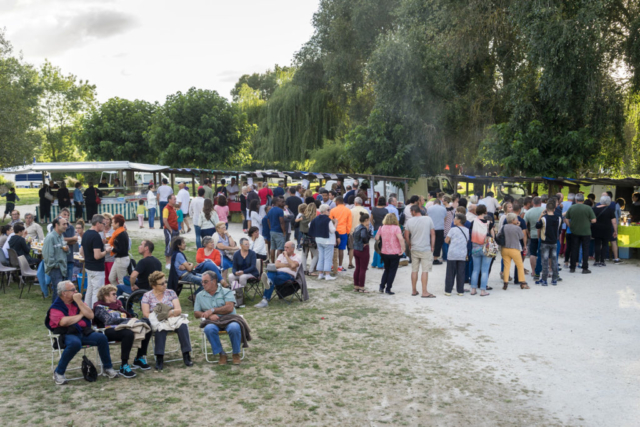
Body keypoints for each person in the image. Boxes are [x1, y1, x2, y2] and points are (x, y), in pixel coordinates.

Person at [46, 281, 118, 385]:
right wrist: (80, 315)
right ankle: (59, 372)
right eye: (73, 290)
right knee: (75, 343)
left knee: (101, 338)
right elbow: (63, 322)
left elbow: (90, 315)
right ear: (64, 293)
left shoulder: (78, 301)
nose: (76, 291)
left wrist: (79, 302)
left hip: (83, 331)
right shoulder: (55, 307)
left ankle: (107, 367)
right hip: (67, 333)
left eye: (75, 289)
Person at [93, 285, 152, 377]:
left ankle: (139, 358)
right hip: (108, 330)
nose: (116, 296)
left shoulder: (117, 305)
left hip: (124, 326)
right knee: (128, 334)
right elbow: (109, 320)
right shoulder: (99, 307)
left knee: (146, 325)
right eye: (113, 294)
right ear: (106, 296)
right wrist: (129, 320)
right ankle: (124, 365)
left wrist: (133, 320)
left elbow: (127, 316)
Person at [141, 271, 192, 370]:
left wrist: (164, 314)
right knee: (160, 329)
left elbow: (178, 310)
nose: (165, 285)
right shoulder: (147, 296)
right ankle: (159, 358)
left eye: (165, 282)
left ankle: (186, 355)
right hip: (159, 321)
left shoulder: (171, 292)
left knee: (182, 325)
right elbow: (146, 314)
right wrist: (168, 313)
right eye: (162, 283)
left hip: (173, 318)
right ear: (154, 286)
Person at [195, 271, 242, 365]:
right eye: (202, 282)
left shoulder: (226, 291)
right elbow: (196, 313)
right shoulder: (200, 295)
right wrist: (208, 315)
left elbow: (229, 308)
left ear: (214, 281)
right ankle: (221, 354)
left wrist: (212, 310)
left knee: (234, 327)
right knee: (209, 329)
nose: (203, 284)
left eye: (205, 281)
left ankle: (236, 353)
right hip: (212, 321)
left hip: (229, 319)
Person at [255, 241, 301, 308]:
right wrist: (289, 265)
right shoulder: (280, 255)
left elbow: (293, 265)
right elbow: (276, 265)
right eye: (284, 247)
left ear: (293, 249)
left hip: (288, 275)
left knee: (271, 277)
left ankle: (265, 298)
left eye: (287, 247)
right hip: (277, 273)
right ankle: (269, 282)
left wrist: (286, 257)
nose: (285, 249)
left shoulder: (297, 257)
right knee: (271, 271)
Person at [405, 205, 436, 297]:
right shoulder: (428, 219)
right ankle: (424, 291)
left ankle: (414, 290)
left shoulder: (409, 221)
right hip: (425, 248)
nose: (410, 214)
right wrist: (432, 246)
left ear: (414, 212)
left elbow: (406, 236)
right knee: (425, 270)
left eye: (411, 212)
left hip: (414, 248)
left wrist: (409, 244)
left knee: (414, 270)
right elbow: (433, 233)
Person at [81, 215, 108, 307]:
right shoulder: (96, 236)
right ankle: (95, 313)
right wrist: (106, 251)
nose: (104, 226)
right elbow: (97, 256)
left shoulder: (86, 234)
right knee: (97, 292)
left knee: (90, 290)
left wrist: (88, 258)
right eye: (103, 224)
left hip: (88, 266)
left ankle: (87, 310)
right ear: (98, 223)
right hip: (97, 269)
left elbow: (81, 251)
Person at [565, 193, 596, 274]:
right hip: (586, 232)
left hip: (574, 231)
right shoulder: (588, 208)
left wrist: (570, 226)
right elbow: (594, 220)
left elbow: (566, 218)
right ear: (583, 199)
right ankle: (585, 268)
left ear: (576, 200)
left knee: (574, 249)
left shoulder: (572, 207)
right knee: (585, 250)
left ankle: (572, 267)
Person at [375, 213, 404, 295]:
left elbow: (376, 238)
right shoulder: (396, 228)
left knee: (386, 269)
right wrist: (403, 248)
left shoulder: (382, 227)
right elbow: (401, 238)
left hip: (384, 252)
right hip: (394, 252)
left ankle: (381, 286)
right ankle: (388, 288)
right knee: (392, 271)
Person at [43, 217, 70, 302]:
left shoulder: (61, 236)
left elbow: (64, 252)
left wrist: (67, 250)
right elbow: (47, 255)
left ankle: (58, 310)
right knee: (58, 292)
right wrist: (56, 266)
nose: (66, 226)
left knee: (61, 292)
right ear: (56, 225)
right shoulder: (50, 237)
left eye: (66, 224)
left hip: (62, 268)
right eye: (64, 224)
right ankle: (54, 311)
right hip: (56, 268)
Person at [469, 204, 494, 296]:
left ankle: (473, 289)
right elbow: (492, 235)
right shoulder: (489, 222)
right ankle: (483, 290)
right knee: (485, 270)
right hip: (486, 247)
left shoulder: (473, 222)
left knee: (475, 270)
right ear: (485, 211)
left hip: (475, 247)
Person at [499, 213, 528, 290]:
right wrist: (517, 227)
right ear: (513, 220)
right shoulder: (517, 228)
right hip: (514, 249)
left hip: (505, 248)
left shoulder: (504, 227)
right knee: (520, 266)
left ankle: (505, 283)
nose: (517, 220)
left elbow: (499, 235)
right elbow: (521, 236)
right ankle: (523, 283)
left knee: (506, 266)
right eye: (516, 219)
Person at [534, 200, 561, 285]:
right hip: (554, 241)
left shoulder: (543, 219)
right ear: (554, 208)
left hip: (545, 242)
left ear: (546, 208)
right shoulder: (559, 218)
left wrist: (540, 216)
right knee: (554, 261)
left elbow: (537, 226)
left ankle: (544, 280)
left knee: (544, 261)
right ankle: (554, 279)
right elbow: (559, 231)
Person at [309, 204, 337, 280]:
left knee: (321, 257)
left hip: (319, 240)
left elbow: (309, 225)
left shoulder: (316, 219)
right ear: (324, 211)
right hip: (328, 241)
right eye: (328, 210)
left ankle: (320, 274)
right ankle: (327, 274)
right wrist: (336, 224)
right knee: (328, 257)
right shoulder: (328, 220)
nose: (329, 211)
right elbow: (332, 230)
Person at [444, 213, 470, 296]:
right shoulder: (467, 230)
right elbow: (466, 241)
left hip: (452, 253)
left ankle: (448, 290)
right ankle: (460, 291)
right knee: (461, 273)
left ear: (459, 220)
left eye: (455, 219)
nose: (453, 220)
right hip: (462, 253)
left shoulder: (452, 229)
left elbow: (446, 240)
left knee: (450, 273)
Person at [592, 195, 617, 267]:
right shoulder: (610, 210)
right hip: (607, 229)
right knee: (605, 245)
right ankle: (602, 261)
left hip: (596, 228)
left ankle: (596, 260)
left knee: (597, 244)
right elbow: (614, 222)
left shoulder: (594, 209)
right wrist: (615, 231)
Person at [329, 196, 352, 272]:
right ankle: (340, 266)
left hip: (334, 232)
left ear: (337, 202)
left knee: (332, 249)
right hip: (343, 232)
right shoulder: (348, 210)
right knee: (341, 249)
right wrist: (347, 232)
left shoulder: (333, 210)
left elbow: (330, 221)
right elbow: (349, 223)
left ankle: (332, 265)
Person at [351, 211, 372, 293]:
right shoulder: (363, 228)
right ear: (366, 220)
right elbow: (363, 236)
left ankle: (356, 286)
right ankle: (361, 287)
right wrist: (365, 241)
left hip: (356, 249)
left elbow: (353, 235)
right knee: (363, 269)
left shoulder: (357, 227)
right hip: (363, 249)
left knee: (357, 268)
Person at [524, 197, 544, 279]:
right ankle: (544, 270)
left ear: (532, 202)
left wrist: (528, 232)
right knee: (543, 253)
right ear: (541, 202)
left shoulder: (528, 212)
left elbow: (524, 225)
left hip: (533, 235)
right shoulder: (544, 210)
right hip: (543, 235)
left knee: (533, 253)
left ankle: (533, 271)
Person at [107, 214, 129, 286]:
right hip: (118, 259)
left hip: (122, 259)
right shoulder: (117, 233)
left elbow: (122, 250)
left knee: (121, 281)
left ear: (117, 223)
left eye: (113, 222)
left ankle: (123, 295)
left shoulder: (121, 234)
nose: (111, 224)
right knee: (111, 278)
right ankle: (117, 293)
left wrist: (112, 248)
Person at [300, 202, 319, 276]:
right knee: (316, 254)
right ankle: (311, 270)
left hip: (304, 236)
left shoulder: (302, 217)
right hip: (312, 237)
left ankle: (304, 269)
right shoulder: (314, 218)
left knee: (304, 254)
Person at [370, 197, 389, 270]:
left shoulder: (374, 209)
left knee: (376, 245)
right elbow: (387, 221)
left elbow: (371, 219)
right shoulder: (385, 210)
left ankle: (374, 263)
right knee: (381, 246)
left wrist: (374, 224)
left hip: (376, 228)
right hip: (383, 229)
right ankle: (380, 263)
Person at [163, 194, 180, 270]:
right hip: (169, 230)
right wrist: (170, 229)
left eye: (175, 199)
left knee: (175, 246)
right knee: (169, 245)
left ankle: (173, 262)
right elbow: (165, 220)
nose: (175, 200)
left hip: (175, 229)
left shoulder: (173, 208)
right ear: (169, 200)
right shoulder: (166, 209)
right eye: (174, 199)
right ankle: (167, 263)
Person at [427, 199, 447, 265]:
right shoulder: (443, 209)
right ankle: (435, 258)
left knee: (430, 242)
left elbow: (427, 217)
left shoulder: (429, 208)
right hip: (440, 228)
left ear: (434, 203)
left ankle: (429, 257)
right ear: (440, 203)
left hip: (431, 228)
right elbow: (445, 218)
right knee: (438, 244)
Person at [267, 197, 287, 262]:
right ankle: (278, 262)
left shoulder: (270, 210)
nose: (281, 202)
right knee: (280, 248)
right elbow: (281, 222)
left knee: (272, 247)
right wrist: (284, 231)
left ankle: (272, 262)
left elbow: (268, 220)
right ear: (276, 202)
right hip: (278, 231)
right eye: (279, 201)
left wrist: (270, 228)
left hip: (272, 230)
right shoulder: (280, 210)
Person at [101, 213, 115, 284]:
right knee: (104, 278)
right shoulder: (100, 230)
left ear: (110, 221)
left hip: (111, 257)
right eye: (104, 219)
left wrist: (109, 241)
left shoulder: (113, 231)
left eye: (107, 219)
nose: (106, 221)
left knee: (112, 278)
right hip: (102, 257)